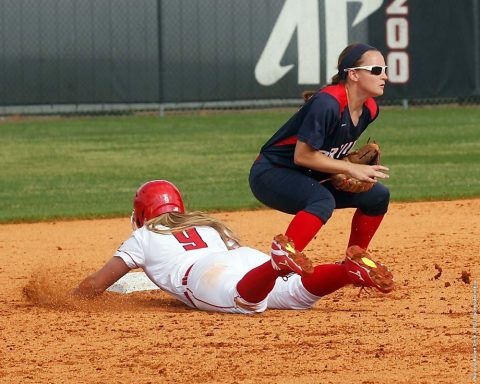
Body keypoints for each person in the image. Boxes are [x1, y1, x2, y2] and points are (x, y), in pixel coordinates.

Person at [73, 180, 394, 314]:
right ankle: (346, 271)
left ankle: (275, 264)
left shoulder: (143, 236)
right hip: (240, 257)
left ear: (143, 214)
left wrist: (65, 298)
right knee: (296, 294)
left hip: (204, 274)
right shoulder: (206, 223)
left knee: (243, 301)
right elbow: (233, 253)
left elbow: (96, 285)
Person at [249, 43, 390, 256]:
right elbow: (302, 155)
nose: (384, 77)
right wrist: (348, 168)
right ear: (353, 75)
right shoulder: (328, 103)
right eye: (377, 70)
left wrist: (340, 167)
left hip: (309, 175)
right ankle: (281, 263)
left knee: (378, 195)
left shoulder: (370, 109)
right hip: (271, 173)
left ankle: (355, 260)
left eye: (385, 70)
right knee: (322, 200)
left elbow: (327, 148)